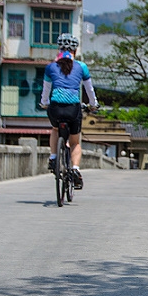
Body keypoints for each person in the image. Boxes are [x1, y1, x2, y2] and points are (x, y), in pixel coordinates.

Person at [39, 33, 99, 189]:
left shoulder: (50, 67)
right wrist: (93, 104)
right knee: (74, 142)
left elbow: (46, 90)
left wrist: (44, 103)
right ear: (75, 50)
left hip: (56, 108)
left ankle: (53, 157)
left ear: (59, 48)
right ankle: (75, 169)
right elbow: (89, 90)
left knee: (54, 129)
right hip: (73, 109)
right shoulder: (82, 67)